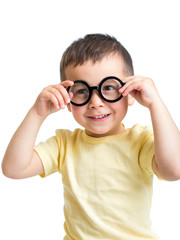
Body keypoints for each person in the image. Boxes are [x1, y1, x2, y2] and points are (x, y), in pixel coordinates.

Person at [2, 34, 180, 240]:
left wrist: (156, 103)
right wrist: (36, 113)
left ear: (131, 93)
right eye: (81, 91)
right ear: (67, 99)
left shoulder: (140, 141)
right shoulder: (64, 144)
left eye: (109, 87)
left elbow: (174, 170)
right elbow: (13, 168)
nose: (95, 102)